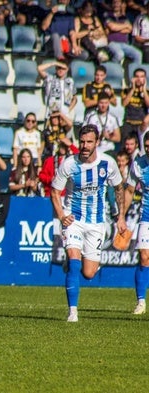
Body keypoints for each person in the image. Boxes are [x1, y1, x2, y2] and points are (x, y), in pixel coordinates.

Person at [51, 124, 126, 322]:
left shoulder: (108, 163)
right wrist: (61, 216)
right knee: (75, 264)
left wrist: (121, 217)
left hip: (96, 223)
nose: (84, 145)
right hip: (73, 219)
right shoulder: (69, 164)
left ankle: (76, 264)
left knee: (89, 273)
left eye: (89, 142)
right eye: (82, 141)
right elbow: (54, 191)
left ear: (97, 142)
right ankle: (73, 312)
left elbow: (119, 188)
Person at [124, 132, 149, 314]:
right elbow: (129, 190)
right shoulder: (139, 165)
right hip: (146, 217)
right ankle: (141, 301)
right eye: (146, 146)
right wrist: (120, 217)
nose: (148, 149)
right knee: (144, 257)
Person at [121, 67, 149, 145]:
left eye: (142, 76)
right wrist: (132, 89)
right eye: (137, 76)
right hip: (128, 123)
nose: (139, 79)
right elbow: (124, 103)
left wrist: (143, 89)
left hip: (141, 125)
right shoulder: (126, 91)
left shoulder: (147, 92)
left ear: (145, 78)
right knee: (126, 146)